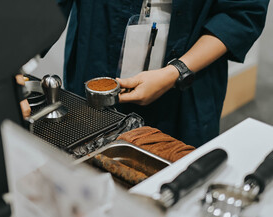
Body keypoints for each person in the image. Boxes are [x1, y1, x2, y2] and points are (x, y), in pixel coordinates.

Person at [58, 0, 270, 147]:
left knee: (170, 175)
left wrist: (176, 71)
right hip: (96, 53)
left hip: (185, 85)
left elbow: (241, 12)